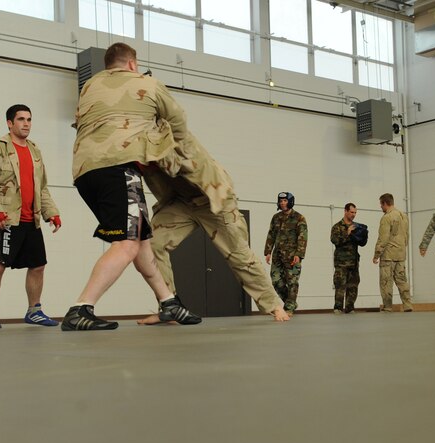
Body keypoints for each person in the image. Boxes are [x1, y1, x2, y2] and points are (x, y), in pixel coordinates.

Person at [77, 43, 289, 322]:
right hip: (178, 203)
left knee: (238, 254)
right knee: (151, 246)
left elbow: (177, 154)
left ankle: (274, 305)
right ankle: (169, 306)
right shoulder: (133, 134)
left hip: (212, 198)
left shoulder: (166, 133)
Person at [66, 43, 203, 331]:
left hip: (84, 171)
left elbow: (79, 121)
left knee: (140, 240)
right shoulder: (146, 83)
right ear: (131, 63)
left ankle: (169, 302)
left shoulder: (89, 86)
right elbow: (178, 121)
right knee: (127, 243)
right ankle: (81, 308)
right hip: (117, 168)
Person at [0, 104, 62, 330]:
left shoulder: (35, 151)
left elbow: (41, 187)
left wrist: (50, 212)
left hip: (30, 219)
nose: (26, 124)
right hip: (5, 219)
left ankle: (34, 311)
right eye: (21, 119)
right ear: (10, 123)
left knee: (38, 265)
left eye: (29, 119)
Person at [264, 192, 308, 316]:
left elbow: (303, 237)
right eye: (281, 201)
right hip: (277, 255)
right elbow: (271, 234)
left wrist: (299, 254)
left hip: (292, 256)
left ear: (290, 201)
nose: (282, 203)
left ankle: (289, 307)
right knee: (276, 281)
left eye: (285, 201)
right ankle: (291, 303)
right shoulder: (276, 217)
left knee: (292, 281)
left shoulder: (299, 218)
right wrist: (268, 251)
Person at [373, 193, 412, 312]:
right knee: (402, 281)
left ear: (385, 203)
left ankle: (387, 306)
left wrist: (376, 254)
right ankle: (407, 305)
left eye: (381, 204)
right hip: (400, 255)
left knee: (386, 282)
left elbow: (383, 238)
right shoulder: (403, 216)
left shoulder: (386, 217)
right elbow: (407, 235)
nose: (381, 207)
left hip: (388, 256)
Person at [330, 203, 367, 314]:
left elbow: (362, 243)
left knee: (353, 286)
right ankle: (338, 308)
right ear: (345, 211)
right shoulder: (337, 227)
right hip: (341, 263)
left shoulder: (356, 226)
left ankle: (350, 308)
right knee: (340, 286)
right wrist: (347, 233)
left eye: (355, 213)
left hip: (354, 262)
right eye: (351, 212)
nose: (353, 215)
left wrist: (363, 235)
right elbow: (335, 240)